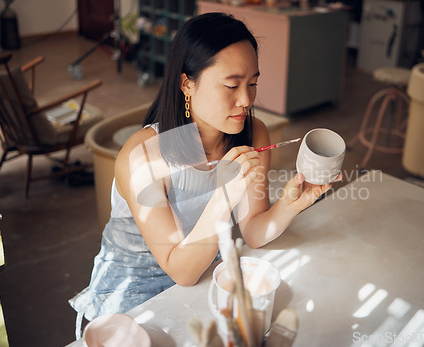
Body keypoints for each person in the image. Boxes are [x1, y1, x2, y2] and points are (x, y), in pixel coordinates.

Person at [70, 12, 340, 334]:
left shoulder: (254, 135)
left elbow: (253, 231)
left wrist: (290, 205)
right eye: (231, 85)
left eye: (253, 83)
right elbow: (179, 271)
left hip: (203, 272)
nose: (247, 100)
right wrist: (224, 194)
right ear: (187, 83)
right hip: (133, 290)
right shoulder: (145, 156)